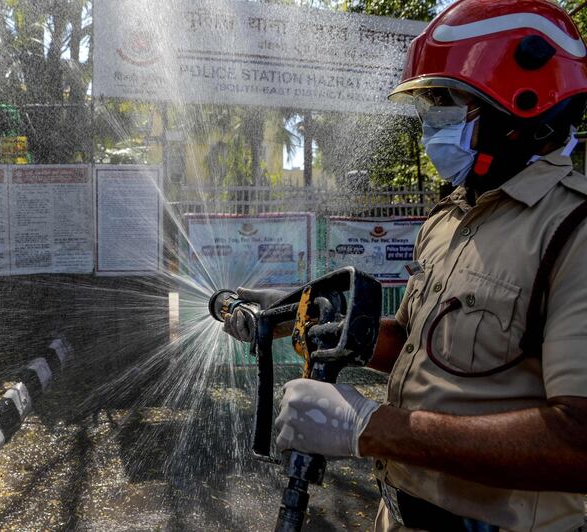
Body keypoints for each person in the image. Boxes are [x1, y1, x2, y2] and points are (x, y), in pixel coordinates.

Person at [223, 1, 587, 530]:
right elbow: (419, 345)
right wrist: (288, 314)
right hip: (395, 514)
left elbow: (578, 444)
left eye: (449, 102)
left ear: (523, 111)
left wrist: (369, 427)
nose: (432, 123)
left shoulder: (572, 231)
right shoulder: (454, 214)